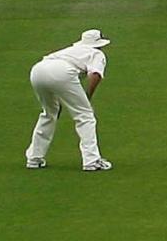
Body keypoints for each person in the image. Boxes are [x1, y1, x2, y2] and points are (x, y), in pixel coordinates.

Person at [24, 28, 113, 171]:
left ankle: (34, 158)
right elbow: (95, 74)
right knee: (85, 115)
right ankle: (92, 160)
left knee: (49, 113)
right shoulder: (97, 53)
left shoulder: (70, 50)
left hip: (38, 70)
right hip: (62, 71)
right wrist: (87, 97)